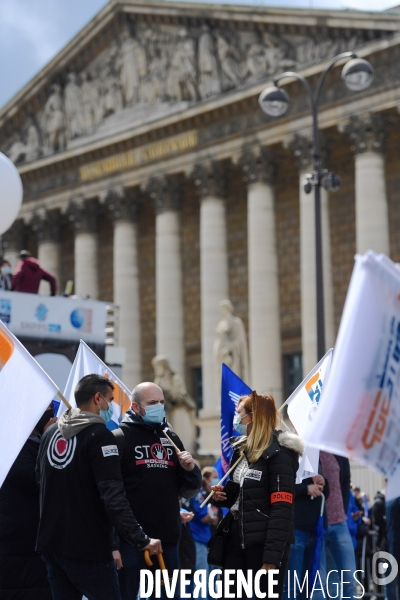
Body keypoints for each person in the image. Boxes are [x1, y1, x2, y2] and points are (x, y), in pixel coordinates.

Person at [36, 374, 162, 600]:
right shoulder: (100, 436)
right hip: (88, 548)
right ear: (97, 399)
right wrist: (141, 539)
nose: (111, 406)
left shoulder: (50, 434)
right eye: (110, 400)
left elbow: (40, 480)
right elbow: (113, 496)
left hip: (51, 544)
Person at [111, 381, 202, 600]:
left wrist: (190, 470)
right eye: (152, 403)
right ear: (135, 407)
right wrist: (113, 542)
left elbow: (187, 490)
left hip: (167, 541)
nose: (159, 407)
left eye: (161, 402)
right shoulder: (119, 438)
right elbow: (111, 493)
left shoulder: (170, 438)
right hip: (131, 541)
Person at [212, 391, 303, 600]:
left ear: (253, 416)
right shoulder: (242, 450)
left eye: (239, 413)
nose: (236, 419)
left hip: (263, 545)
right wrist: (223, 497)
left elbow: (282, 508)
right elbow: (245, 497)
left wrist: (271, 557)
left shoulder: (279, 453)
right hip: (236, 539)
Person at [0, 404, 56, 599]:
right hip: (16, 541)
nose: (51, 413)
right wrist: (50, 441)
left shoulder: (35, 442)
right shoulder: (12, 445)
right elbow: (36, 480)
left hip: (36, 540)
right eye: (47, 407)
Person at [282, 470, 330, 600]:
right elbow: (281, 488)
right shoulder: (287, 453)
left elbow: (326, 493)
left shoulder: (313, 454)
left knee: (308, 587)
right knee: (292, 586)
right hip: (296, 528)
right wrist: (305, 489)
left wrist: (322, 482)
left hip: (316, 530)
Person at [319, 451, 358, 599]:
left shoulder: (338, 451)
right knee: (323, 584)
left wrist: (343, 508)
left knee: (349, 581)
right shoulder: (308, 450)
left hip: (339, 522)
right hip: (318, 524)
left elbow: (345, 479)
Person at [187, 466, 220, 579]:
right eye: (215, 477)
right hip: (198, 537)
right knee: (202, 577)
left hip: (208, 539)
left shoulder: (210, 494)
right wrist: (211, 518)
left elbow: (216, 519)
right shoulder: (198, 494)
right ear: (206, 479)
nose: (217, 479)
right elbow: (203, 517)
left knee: (212, 578)